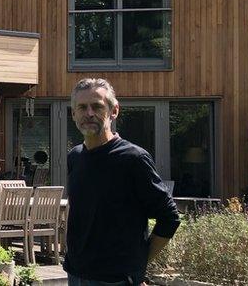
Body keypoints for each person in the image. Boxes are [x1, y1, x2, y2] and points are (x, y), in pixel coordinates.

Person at [64, 78, 180, 286]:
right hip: (75, 274)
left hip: (115, 279)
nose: (89, 113)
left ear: (114, 110)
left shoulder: (133, 158)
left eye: (97, 106)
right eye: (82, 107)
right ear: (74, 114)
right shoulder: (75, 157)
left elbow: (169, 217)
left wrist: (138, 266)